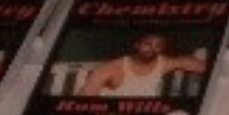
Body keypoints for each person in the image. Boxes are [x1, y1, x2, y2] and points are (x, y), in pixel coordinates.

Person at [82, 34, 211, 96]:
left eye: (158, 46)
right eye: (147, 44)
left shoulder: (162, 63)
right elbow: (83, 101)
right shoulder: (112, 68)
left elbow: (186, 62)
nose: (152, 49)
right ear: (136, 44)